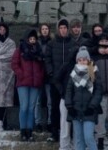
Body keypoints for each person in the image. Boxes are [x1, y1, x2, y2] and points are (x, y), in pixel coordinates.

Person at [44, 18, 74, 146]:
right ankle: (54, 132)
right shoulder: (52, 43)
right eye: (61, 28)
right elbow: (47, 59)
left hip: (69, 82)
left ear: (68, 29)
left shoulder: (73, 43)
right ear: (58, 29)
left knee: (69, 108)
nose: (63, 30)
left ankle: (70, 134)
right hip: (55, 81)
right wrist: (51, 73)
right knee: (55, 107)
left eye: (65, 28)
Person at [65, 47, 103, 150]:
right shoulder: (73, 74)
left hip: (89, 111)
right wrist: (69, 106)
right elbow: (68, 91)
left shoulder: (93, 72)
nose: (82, 62)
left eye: (84, 59)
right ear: (77, 60)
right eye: (80, 60)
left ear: (88, 60)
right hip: (76, 111)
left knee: (88, 137)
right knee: (79, 139)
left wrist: (92, 106)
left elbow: (98, 91)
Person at [12, 29, 45, 141]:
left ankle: (29, 131)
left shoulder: (39, 51)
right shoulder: (20, 50)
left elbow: (42, 66)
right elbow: (14, 64)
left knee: (31, 108)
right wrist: (20, 74)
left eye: (34, 39)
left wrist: (40, 76)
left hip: (35, 83)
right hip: (23, 83)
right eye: (30, 39)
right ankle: (23, 130)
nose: (32, 41)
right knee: (24, 106)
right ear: (27, 39)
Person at [35, 23, 53, 133]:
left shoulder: (52, 42)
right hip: (38, 74)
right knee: (37, 101)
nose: (45, 30)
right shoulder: (37, 42)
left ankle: (50, 122)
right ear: (40, 30)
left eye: (47, 29)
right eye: (43, 29)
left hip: (49, 75)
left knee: (50, 101)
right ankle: (38, 122)